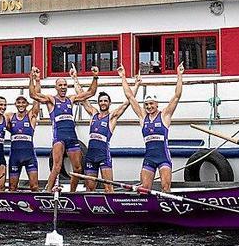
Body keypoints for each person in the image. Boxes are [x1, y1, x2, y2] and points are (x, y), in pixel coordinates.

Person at [30, 65, 99, 192]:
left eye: (65, 85)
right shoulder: (51, 100)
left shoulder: (71, 99)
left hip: (72, 138)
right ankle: (47, 191)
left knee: (78, 168)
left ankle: (72, 192)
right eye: (60, 85)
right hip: (59, 138)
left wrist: (95, 77)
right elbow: (33, 95)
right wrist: (34, 79)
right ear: (56, 87)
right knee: (57, 167)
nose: (63, 87)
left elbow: (90, 93)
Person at [73, 69, 141, 192]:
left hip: (103, 155)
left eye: (105, 101)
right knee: (89, 187)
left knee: (108, 188)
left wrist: (136, 84)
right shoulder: (93, 113)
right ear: (98, 103)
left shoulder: (112, 117)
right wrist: (75, 78)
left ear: (109, 103)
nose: (103, 103)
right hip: (90, 155)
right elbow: (82, 97)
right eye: (101, 101)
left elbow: (128, 102)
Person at [120, 63, 184, 193]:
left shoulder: (165, 115)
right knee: (144, 189)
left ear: (156, 104)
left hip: (163, 158)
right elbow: (130, 97)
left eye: (151, 104)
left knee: (166, 188)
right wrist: (123, 77)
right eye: (146, 104)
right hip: (149, 158)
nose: (149, 107)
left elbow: (177, 96)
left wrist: (179, 75)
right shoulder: (143, 117)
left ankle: (166, 210)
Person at [7, 95, 41, 192]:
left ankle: (36, 206)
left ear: (27, 104)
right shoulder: (10, 116)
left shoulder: (31, 116)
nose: (21, 104)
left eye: (23, 102)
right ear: (15, 104)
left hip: (29, 157)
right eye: (19, 102)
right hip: (15, 157)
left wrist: (36, 82)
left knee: (34, 187)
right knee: (12, 188)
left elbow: (37, 99)